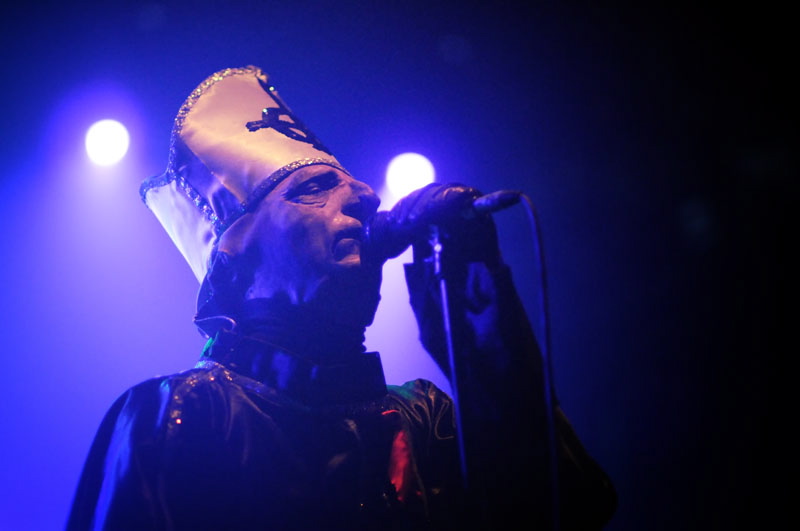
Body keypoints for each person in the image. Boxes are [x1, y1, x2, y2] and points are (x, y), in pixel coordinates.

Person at [67, 65, 616, 530]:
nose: (366, 195)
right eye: (312, 189)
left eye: (354, 185)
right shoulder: (182, 412)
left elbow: (565, 510)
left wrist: (477, 325)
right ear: (238, 261)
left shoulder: (422, 417)